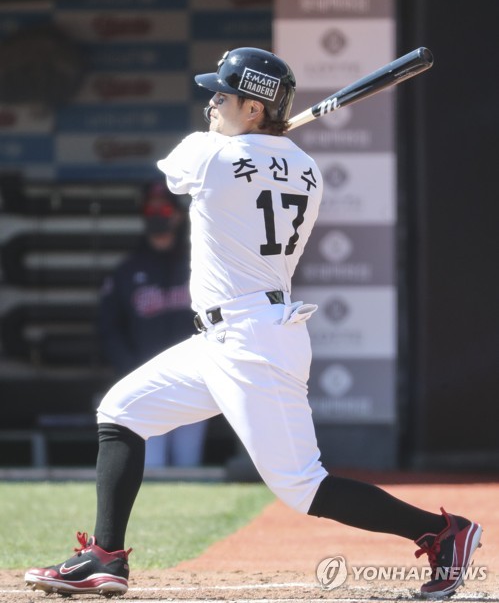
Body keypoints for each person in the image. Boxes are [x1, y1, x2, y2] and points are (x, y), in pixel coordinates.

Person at [24, 47, 482, 599]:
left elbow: (177, 176)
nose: (212, 101)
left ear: (255, 108)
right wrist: (261, 138)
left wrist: (247, 141)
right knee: (121, 411)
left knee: (302, 487)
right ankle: (105, 556)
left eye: (224, 94)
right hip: (229, 335)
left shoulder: (206, 153)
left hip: (252, 340)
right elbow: (257, 172)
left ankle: (443, 533)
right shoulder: (308, 168)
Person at [97, 182, 207, 468]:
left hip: (192, 383)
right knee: (152, 469)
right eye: (151, 209)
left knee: (188, 467)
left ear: (178, 215)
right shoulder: (127, 270)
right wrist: (129, 371)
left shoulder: (201, 265)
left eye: (165, 208)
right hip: (148, 386)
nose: (157, 215)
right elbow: (108, 328)